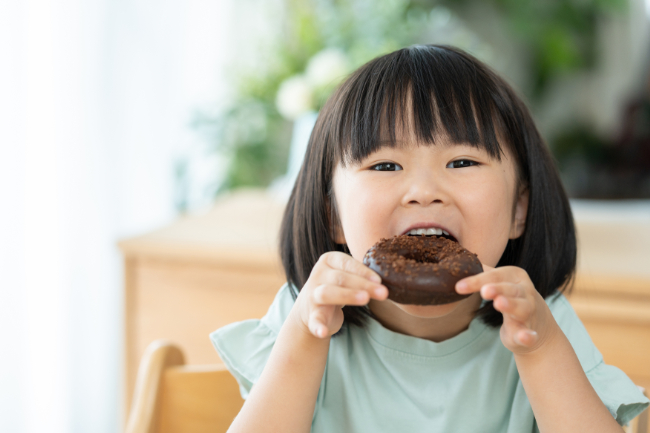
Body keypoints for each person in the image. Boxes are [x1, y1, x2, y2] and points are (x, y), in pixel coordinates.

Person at [210, 45, 649, 432]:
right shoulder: (307, 317)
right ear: (333, 215)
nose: (424, 191)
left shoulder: (541, 323)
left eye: (461, 161)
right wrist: (304, 338)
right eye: (384, 166)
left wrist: (542, 350)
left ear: (519, 209)